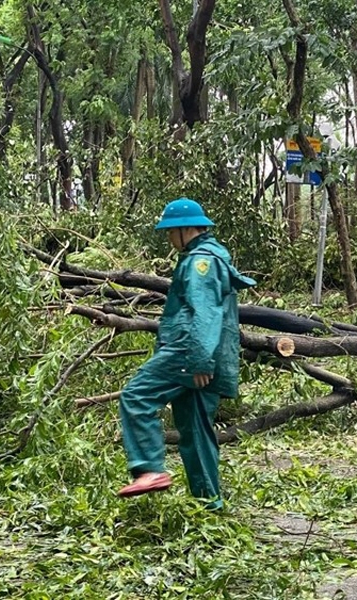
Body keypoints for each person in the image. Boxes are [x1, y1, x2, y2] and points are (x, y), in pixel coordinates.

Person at [116, 198, 256, 510]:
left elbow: (204, 313)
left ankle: (149, 470)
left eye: (170, 232)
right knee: (195, 429)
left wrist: (199, 360)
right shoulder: (210, 257)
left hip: (187, 351)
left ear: (184, 229)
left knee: (136, 397)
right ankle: (209, 505)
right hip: (204, 354)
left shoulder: (200, 263)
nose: (168, 238)